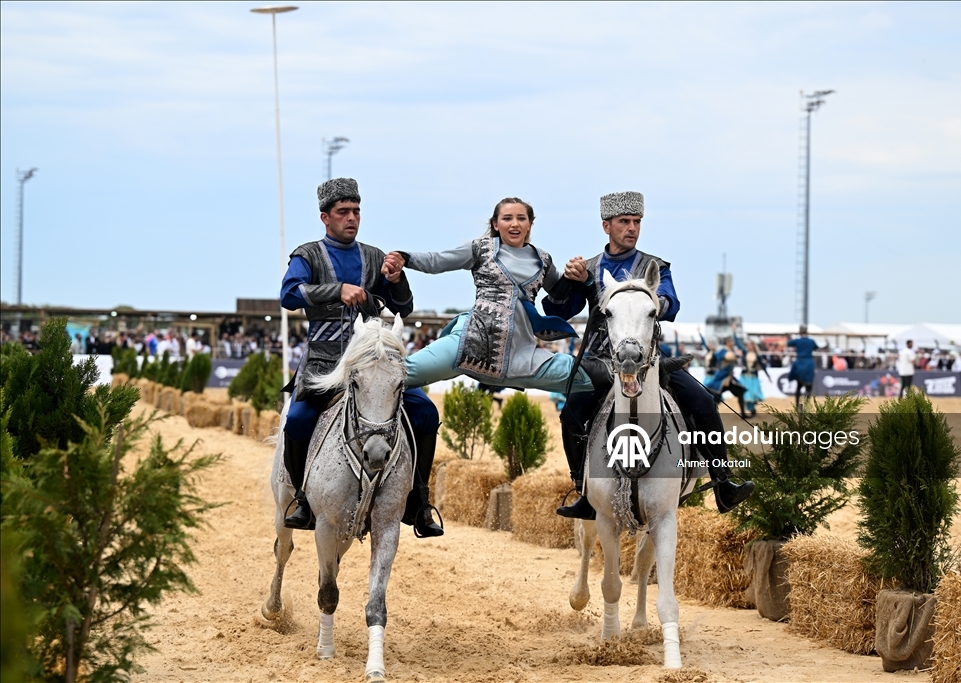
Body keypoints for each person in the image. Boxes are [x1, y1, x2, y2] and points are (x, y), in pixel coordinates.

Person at [542, 191, 754, 517]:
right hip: (600, 359)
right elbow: (560, 310)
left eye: (636, 222)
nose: (632, 228)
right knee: (572, 410)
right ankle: (584, 490)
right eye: (624, 222)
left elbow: (671, 304)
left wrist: (649, 299)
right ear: (606, 226)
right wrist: (571, 282)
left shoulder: (654, 267)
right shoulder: (590, 268)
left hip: (649, 357)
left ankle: (723, 484)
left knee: (703, 401)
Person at [279, 177, 443, 537]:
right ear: (325, 217)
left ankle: (419, 500)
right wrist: (337, 290)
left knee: (426, 413)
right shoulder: (307, 255)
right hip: (324, 364)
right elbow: (290, 294)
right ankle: (304, 500)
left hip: (374, 364)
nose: (351, 218)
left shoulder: (373, 255)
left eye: (356, 211)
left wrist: (396, 279)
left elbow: (405, 307)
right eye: (343, 212)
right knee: (297, 421)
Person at [382, 197, 594, 394]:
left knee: (586, 378)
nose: (514, 224)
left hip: (522, 354)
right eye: (507, 218)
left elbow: (561, 297)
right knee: (396, 374)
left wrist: (581, 277)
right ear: (495, 224)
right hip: (468, 344)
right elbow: (438, 261)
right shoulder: (479, 250)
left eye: (521, 218)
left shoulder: (543, 260)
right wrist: (405, 258)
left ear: (529, 224)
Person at [704, 327, 749, 418]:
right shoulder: (723, 351)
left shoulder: (727, 351)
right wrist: (737, 355)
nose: (733, 343)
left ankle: (743, 414)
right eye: (732, 341)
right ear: (728, 342)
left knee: (740, 392)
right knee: (716, 399)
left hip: (729, 380)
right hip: (721, 380)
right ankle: (710, 415)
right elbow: (727, 357)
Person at [786, 325, 818, 411]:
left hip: (799, 363)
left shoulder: (797, 341)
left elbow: (788, 343)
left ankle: (797, 406)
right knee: (809, 387)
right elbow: (816, 347)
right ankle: (806, 405)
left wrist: (788, 336)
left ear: (800, 331)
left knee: (799, 386)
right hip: (808, 363)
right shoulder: (811, 341)